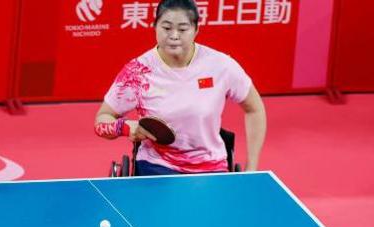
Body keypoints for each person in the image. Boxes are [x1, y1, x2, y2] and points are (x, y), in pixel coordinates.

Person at [94, 0, 267, 175]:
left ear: (196, 30)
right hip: (156, 166)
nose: (174, 36)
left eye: (183, 29)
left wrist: (251, 169)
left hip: (210, 167)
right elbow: (101, 120)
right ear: (155, 27)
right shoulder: (137, 72)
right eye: (166, 28)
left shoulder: (221, 65)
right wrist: (125, 127)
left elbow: (255, 109)